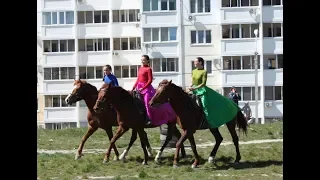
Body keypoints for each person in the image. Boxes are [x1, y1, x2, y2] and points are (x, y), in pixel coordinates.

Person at [188, 57, 241, 128]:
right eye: (194, 61)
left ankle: (208, 121)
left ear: (200, 62)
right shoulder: (193, 71)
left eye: (195, 61)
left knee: (204, 105)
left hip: (202, 90)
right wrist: (190, 86)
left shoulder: (204, 72)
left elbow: (203, 83)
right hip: (194, 90)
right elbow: (193, 82)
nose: (194, 63)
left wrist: (195, 87)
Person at [131, 55, 176, 126]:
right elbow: (138, 79)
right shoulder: (140, 68)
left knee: (146, 103)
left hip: (147, 89)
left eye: (144, 60)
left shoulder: (149, 69)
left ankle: (149, 118)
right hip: (139, 88)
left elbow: (150, 80)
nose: (142, 61)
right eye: (141, 60)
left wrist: (143, 88)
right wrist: (133, 87)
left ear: (147, 61)